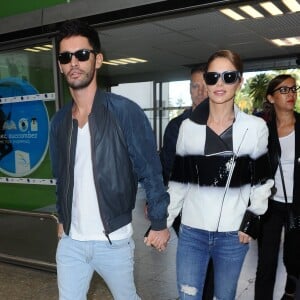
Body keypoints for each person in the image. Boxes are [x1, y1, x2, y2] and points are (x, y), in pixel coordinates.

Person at [49, 19, 170, 300]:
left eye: (82, 54)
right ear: (60, 64)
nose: (74, 63)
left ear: (98, 59)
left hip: (112, 240)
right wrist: (62, 215)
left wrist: (160, 221)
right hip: (71, 243)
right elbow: (63, 176)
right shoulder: (59, 122)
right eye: (66, 57)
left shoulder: (125, 112)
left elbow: (150, 172)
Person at [167, 49, 274, 299]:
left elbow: (262, 182)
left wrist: (251, 221)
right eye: (213, 76)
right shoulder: (188, 127)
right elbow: (179, 183)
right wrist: (163, 222)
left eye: (229, 76)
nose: (220, 83)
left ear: (240, 81)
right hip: (192, 233)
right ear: (206, 80)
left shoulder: (255, 128)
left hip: (232, 236)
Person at [159, 66, 214, 300]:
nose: (200, 92)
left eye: (204, 85)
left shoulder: (229, 125)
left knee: (212, 263)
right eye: (194, 86)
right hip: (186, 210)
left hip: (217, 209)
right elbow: (168, 168)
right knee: (194, 259)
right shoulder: (176, 126)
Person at [255, 74, 300, 300]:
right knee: (266, 262)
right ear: (271, 98)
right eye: (283, 90)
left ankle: (291, 290)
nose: (290, 94)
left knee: (294, 259)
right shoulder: (263, 131)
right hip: (271, 205)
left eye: (293, 89)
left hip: (298, 206)